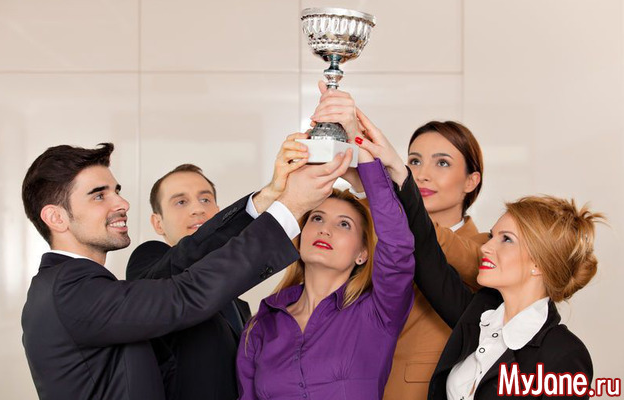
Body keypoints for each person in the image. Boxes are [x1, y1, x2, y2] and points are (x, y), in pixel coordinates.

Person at [20, 141, 352, 399]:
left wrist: (269, 197)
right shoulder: (69, 288)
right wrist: (290, 208)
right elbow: (185, 291)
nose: (121, 203)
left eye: (116, 191)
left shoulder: (75, 286)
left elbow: (189, 259)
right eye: (98, 195)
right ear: (56, 218)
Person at [351, 118, 601, 399]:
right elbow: (425, 249)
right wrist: (394, 169)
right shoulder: (477, 318)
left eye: (506, 239)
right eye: (492, 236)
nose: (486, 247)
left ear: (539, 263)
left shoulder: (564, 353)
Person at [310, 82, 489, 399]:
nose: (422, 174)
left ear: (471, 181)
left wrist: (381, 186)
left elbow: (431, 242)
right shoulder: (375, 226)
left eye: (442, 163)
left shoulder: (485, 248)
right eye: (415, 161)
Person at [125, 134, 312, 400]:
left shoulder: (238, 305)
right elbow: (188, 261)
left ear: (219, 212)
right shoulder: (149, 261)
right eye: (180, 202)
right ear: (158, 223)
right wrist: (274, 199)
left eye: (205, 200)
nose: (197, 210)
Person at [236, 130, 416, 399]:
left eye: (344, 224)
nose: (325, 229)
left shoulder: (379, 313)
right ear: (300, 237)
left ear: (363, 253)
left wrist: (364, 159)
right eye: (317, 218)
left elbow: (398, 246)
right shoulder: (261, 324)